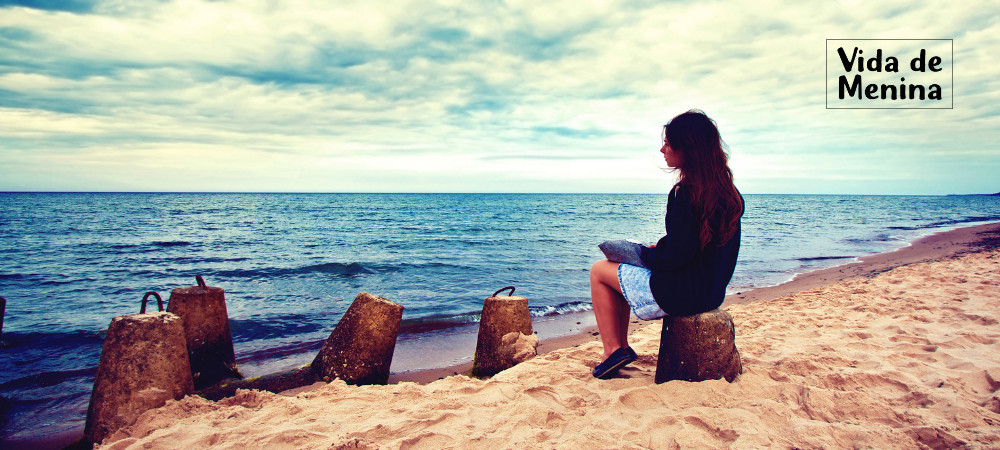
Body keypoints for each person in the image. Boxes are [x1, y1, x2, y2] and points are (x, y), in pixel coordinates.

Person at [590, 110, 744, 379]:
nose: (662, 149)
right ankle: (621, 347)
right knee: (619, 269)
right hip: (711, 292)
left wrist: (644, 256)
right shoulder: (728, 193)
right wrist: (659, 248)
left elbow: (678, 254)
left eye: (668, 144)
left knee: (600, 270)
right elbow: (695, 243)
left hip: (682, 294)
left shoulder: (686, 192)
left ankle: (613, 349)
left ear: (686, 150)